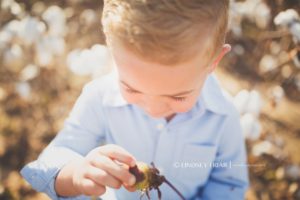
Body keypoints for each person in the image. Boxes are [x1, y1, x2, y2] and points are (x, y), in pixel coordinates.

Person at [21, 0, 249, 199]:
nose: (153, 109)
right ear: (109, 43)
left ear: (214, 62)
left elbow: (229, 184)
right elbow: (45, 165)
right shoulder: (98, 98)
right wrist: (76, 172)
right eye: (131, 88)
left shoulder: (223, 117)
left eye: (178, 96)